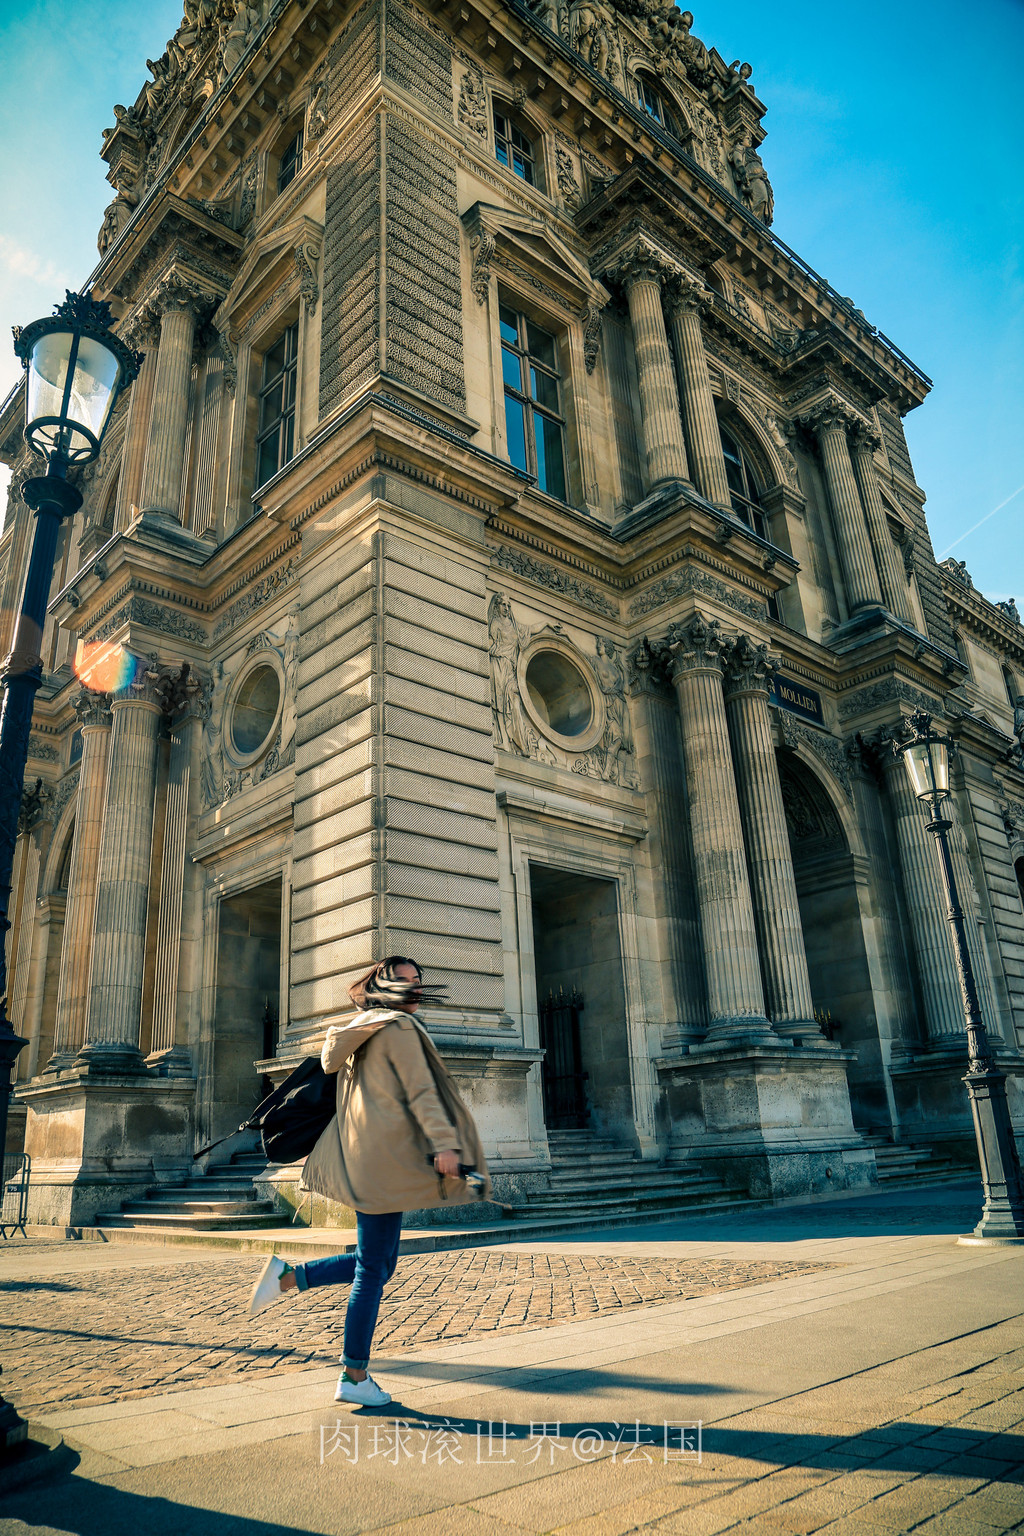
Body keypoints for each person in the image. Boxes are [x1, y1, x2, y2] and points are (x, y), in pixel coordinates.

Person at [248, 956, 491, 1407]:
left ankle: (287, 1278)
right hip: (384, 1161)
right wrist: (445, 1144)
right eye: (405, 982)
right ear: (383, 987)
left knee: (377, 1262)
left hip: (369, 1156)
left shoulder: (363, 1029)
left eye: (419, 980)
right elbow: (421, 1092)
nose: (416, 988)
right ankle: (354, 1373)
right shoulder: (397, 1028)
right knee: (373, 1270)